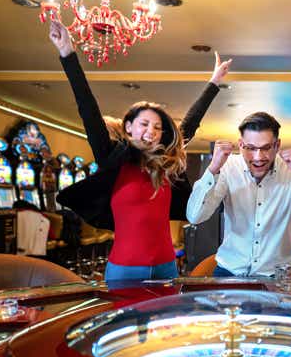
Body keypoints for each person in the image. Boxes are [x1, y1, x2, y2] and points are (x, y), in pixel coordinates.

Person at [48, 20, 232, 281]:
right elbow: (86, 106)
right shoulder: (112, 159)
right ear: (129, 127)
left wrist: (214, 82)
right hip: (124, 270)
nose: (151, 131)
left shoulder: (166, 163)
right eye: (144, 124)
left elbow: (189, 124)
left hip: (166, 268)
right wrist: (67, 52)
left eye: (157, 127)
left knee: (161, 325)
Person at [186, 112, 291, 276]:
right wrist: (212, 169)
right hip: (230, 270)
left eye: (266, 148)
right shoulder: (226, 168)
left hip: (276, 274)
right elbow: (195, 217)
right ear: (241, 145)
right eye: (251, 148)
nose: (258, 157)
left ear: (277, 145)